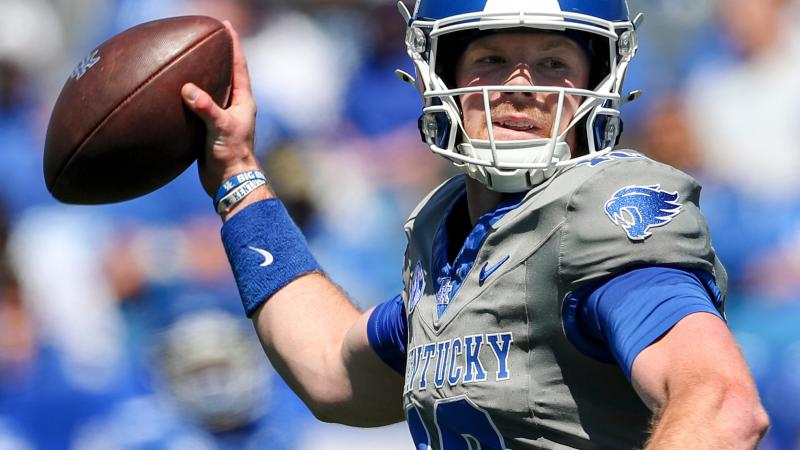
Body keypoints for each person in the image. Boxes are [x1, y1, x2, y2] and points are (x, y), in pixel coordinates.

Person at [179, 1, 769, 448]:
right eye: (491, 60)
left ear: (597, 84)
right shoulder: (449, 230)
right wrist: (238, 177)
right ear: (438, 76)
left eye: (552, 63)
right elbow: (333, 370)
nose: (521, 87)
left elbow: (720, 403)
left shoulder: (597, 210)